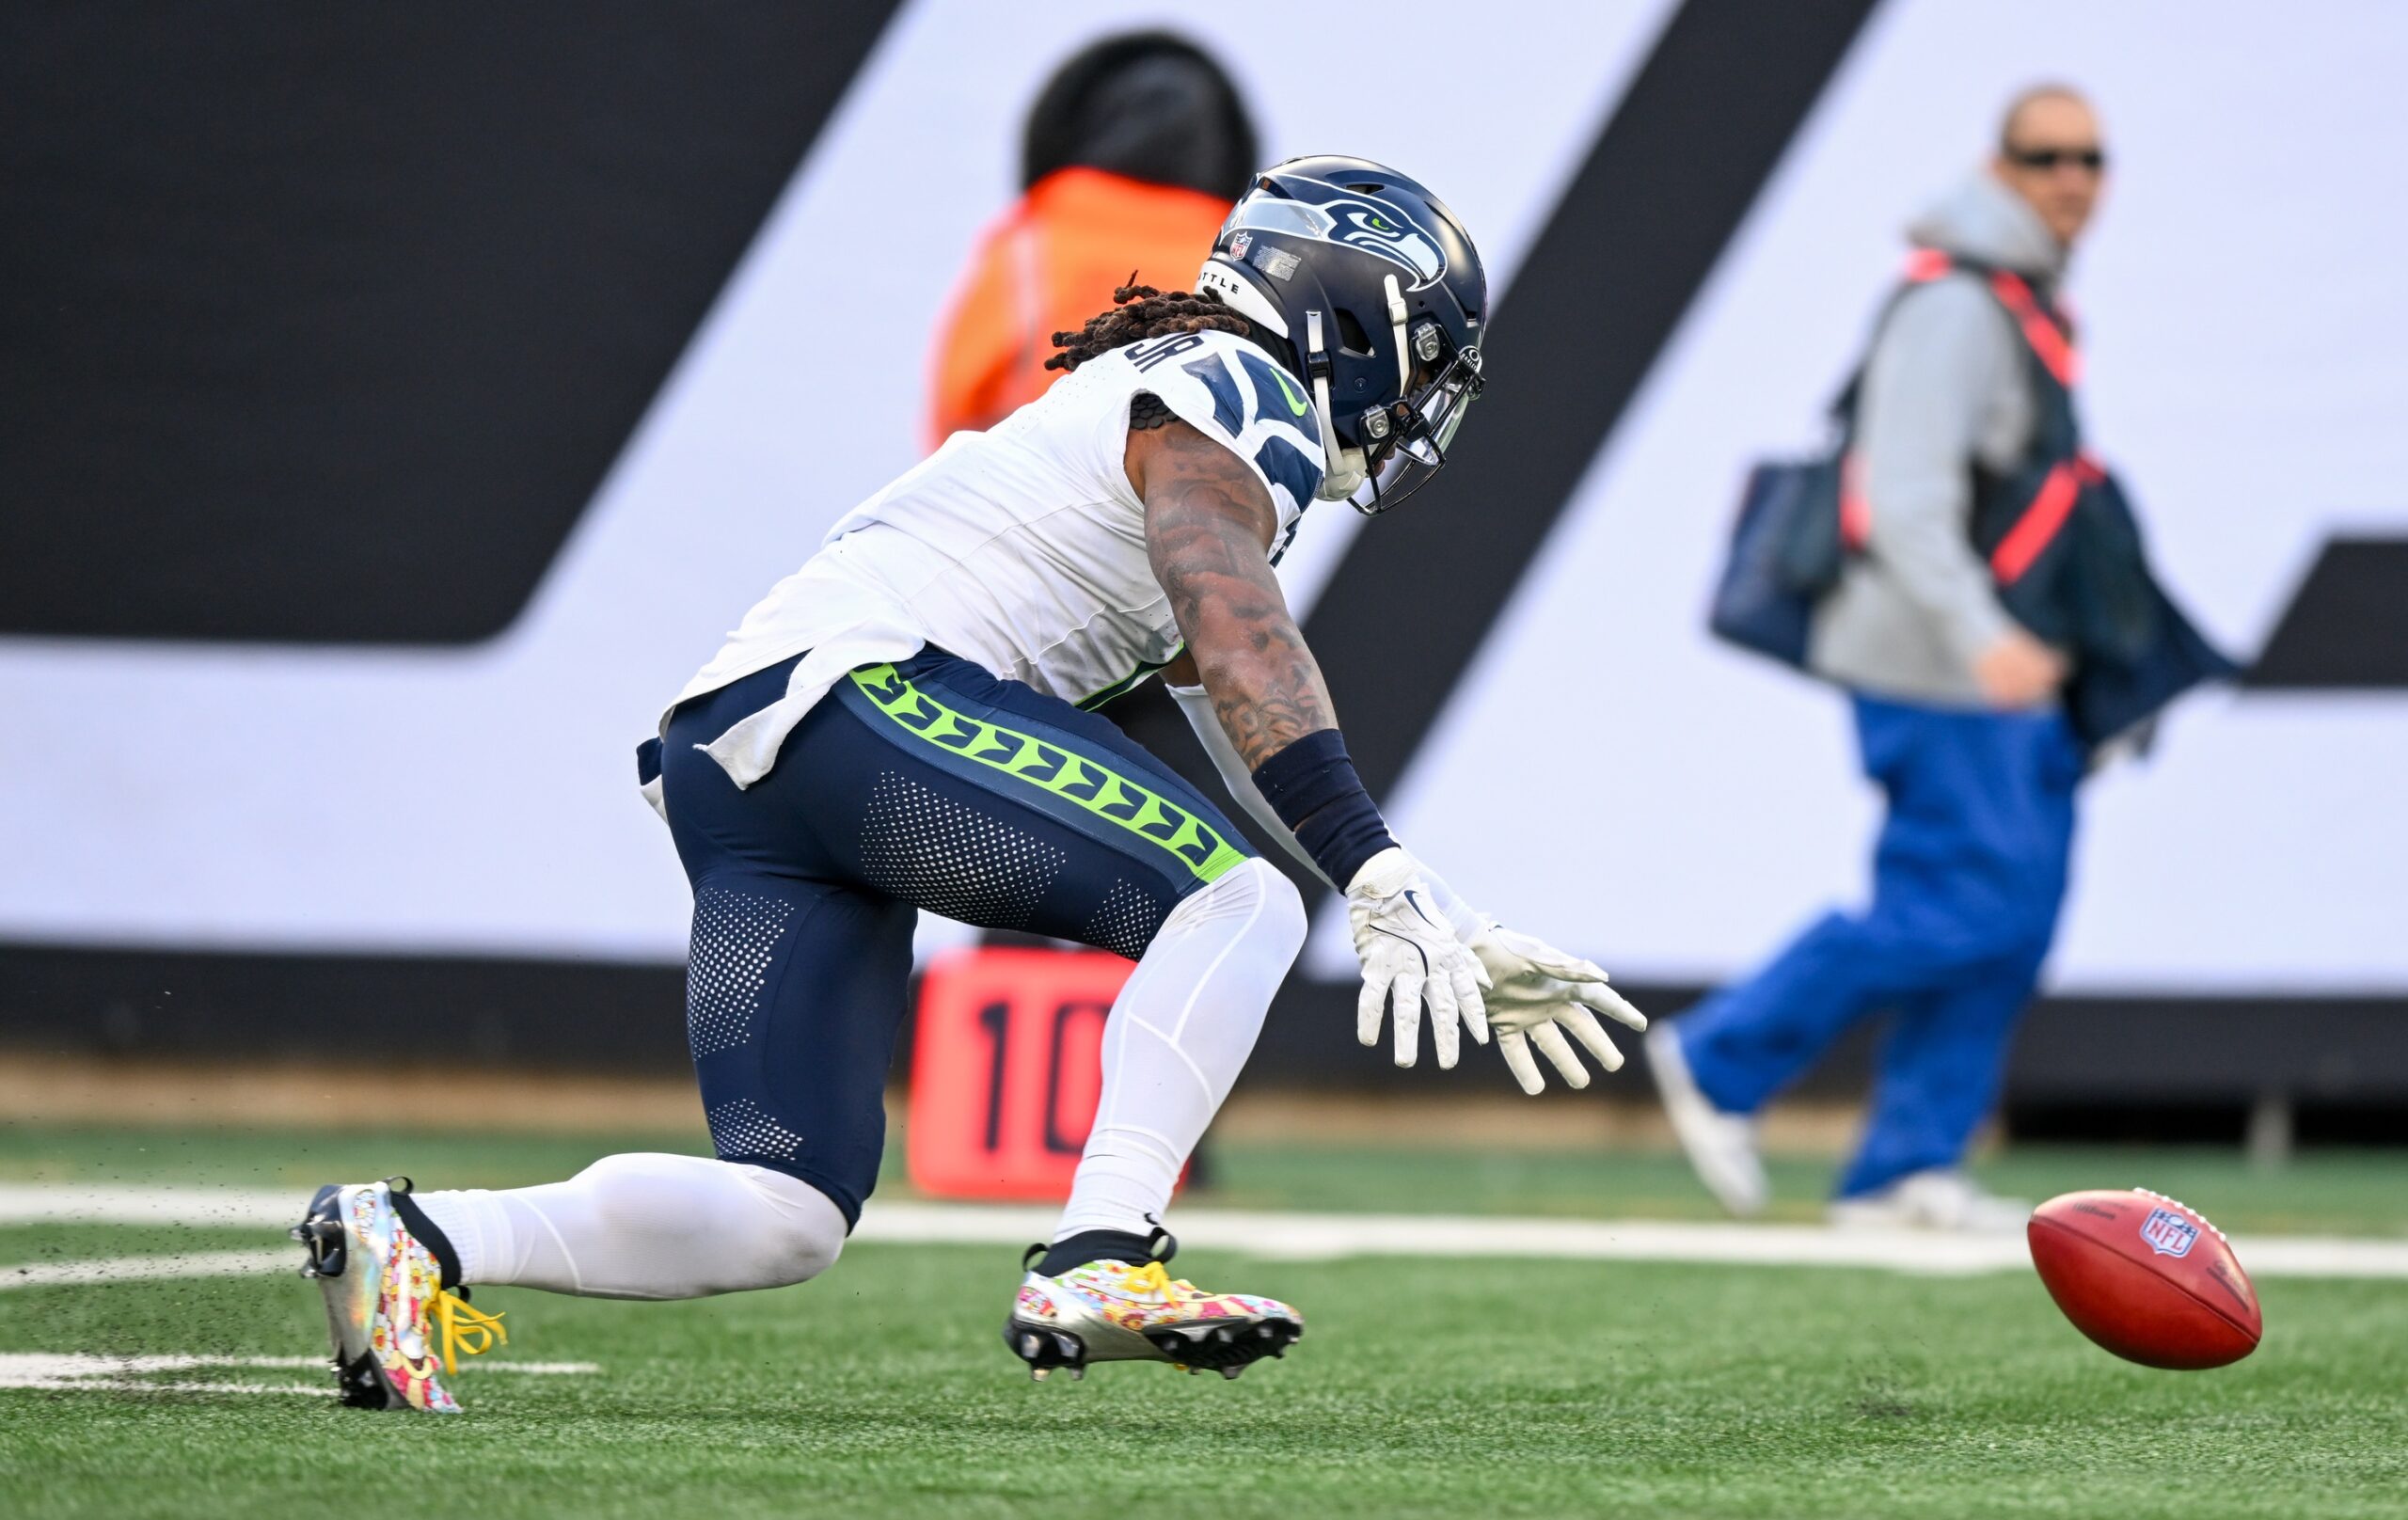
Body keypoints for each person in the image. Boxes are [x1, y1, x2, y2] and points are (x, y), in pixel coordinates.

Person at [296, 157, 1646, 1412]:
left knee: (786, 1210)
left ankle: (411, 1235)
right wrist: (1366, 868)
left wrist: (1429, 902)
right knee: (1239, 905)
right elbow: (1243, 633)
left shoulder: (1166, 407)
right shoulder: (1244, 387)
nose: (1429, 399)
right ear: (1350, 321)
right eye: (1427, 356)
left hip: (740, 752)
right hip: (860, 693)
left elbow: (1220, 696)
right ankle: (1106, 1244)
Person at [1650, 87, 2110, 1231]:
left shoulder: (2019, 299)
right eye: (2043, 155)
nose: (2070, 178)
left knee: (2016, 908)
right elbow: (1899, 499)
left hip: (1999, 660)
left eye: (2089, 157)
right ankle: (1721, 1055)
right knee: (1963, 901)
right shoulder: (1957, 302)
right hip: (1938, 659)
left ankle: (1906, 1166)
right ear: (1996, 166)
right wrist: (1983, 636)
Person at [925, 32, 1257, 445]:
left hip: (1029, 489)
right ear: (1225, 148)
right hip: (1200, 495)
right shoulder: (1240, 260)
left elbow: (957, 405)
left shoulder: (1027, 246)